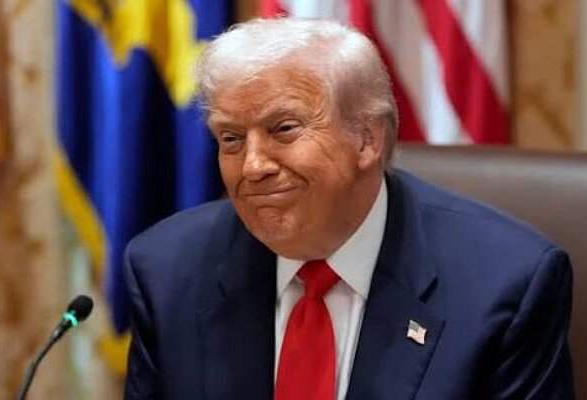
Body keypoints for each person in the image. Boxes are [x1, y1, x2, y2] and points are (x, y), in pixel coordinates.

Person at [123, 18, 574, 400]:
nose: (253, 166)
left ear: (367, 139)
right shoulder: (166, 272)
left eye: (283, 129)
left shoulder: (505, 286)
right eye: (231, 139)